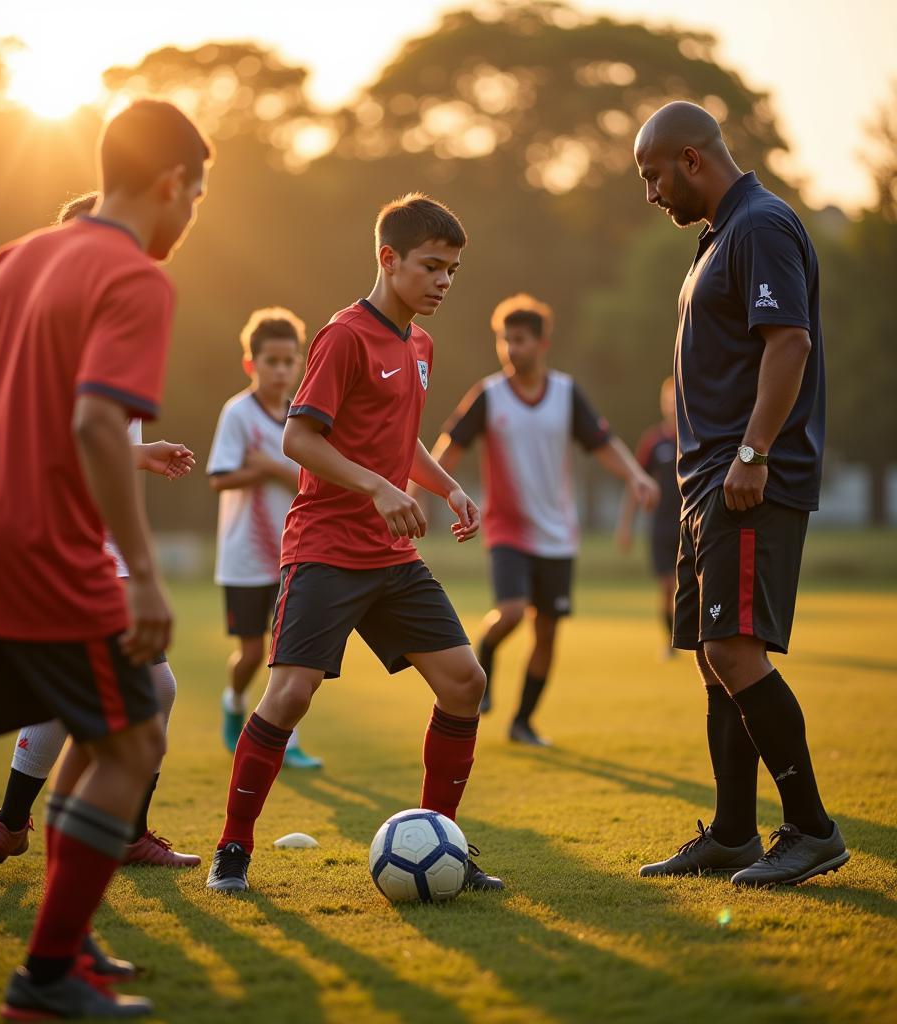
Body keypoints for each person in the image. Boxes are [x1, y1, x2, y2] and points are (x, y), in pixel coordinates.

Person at [0, 99, 210, 1018]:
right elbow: (98, 423)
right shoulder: (137, 279)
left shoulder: (22, 254)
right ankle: (47, 979)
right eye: (197, 199)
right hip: (40, 546)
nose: (190, 222)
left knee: (106, 733)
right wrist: (141, 573)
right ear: (172, 182)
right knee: (137, 733)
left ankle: (69, 946)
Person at [204, 193, 502, 895]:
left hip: (391, 553)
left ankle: (446, 845)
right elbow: (299, 438)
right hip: (326, 547)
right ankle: (232, 849)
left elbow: (402, 443)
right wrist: (377, 487)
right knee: (290, 695)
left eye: (453, 271)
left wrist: (445, 486)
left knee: (466, 683)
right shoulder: (343, 336)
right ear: (387, 259)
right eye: (432, 267)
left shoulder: (419, 343)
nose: (443, 283)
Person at [633, 101, 848, 887]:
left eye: (653, 174)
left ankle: (812, 829)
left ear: (691, 159)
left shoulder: (759, 225)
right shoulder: (718, 240)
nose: (650, 192)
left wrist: (754, 453)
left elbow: (788, 341)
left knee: (733, 648)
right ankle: (731, 834)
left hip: (748, 483)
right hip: (706, 488)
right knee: (712, 656)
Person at [0, 193, 202, 872]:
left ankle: (15, 823)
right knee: (144, 694)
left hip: (78, 538)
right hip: (68, 541)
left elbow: (89, 436)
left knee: (115, 692)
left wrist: (142, 451)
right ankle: (101, 838)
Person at [429, 294, 659, 745]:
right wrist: (417, 493)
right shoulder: (488, 396)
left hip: (558, 533)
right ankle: (487, 657)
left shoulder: (567, 394)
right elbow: (448, 448)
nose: (511, 349)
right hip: (507, 528)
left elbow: (602, 443)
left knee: (547, 632)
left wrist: (635, 475)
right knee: (512, 612)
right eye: (504, 340)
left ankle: (523, 722)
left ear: (542, 342)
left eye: (520, 340)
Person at [207, 307, 323, 769]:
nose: (280, 369)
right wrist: (266, 470)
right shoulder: (238, 413)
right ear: (251, 363)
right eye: (271, 361)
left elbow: (311, 479)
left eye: (288, 360)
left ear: (299, 364)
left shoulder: (305, 418)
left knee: (289, 657)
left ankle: (286, 742)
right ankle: (234, 701)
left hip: (295, 554)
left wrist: (272, 466)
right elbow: (219, 477)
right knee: (252, 653)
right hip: (244, 558)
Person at [616, 376, 681, 657]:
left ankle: (703, 640)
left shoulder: (698, 437)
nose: (673, 407)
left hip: (693, 524)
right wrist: (626, 525)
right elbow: (635, 484)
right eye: (669, 402)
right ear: (663, 404)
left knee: (695, 588)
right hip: (662, 526)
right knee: (668, 587)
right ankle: (670, 641)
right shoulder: (654, 442)